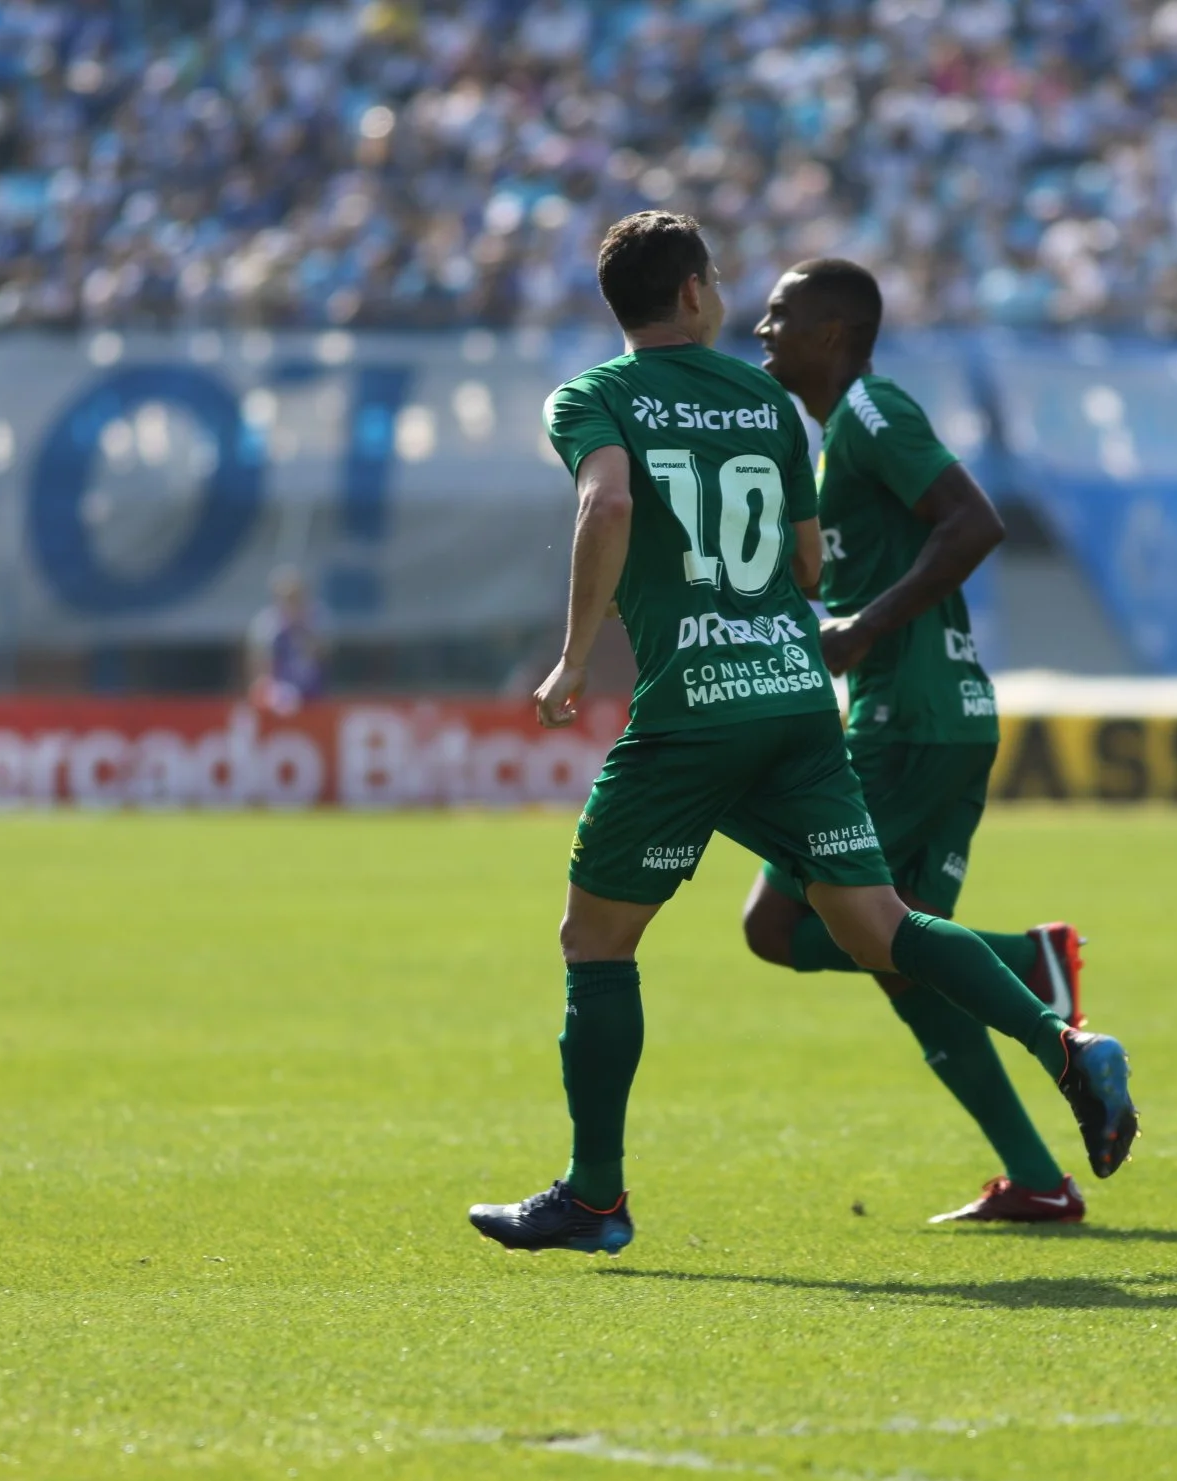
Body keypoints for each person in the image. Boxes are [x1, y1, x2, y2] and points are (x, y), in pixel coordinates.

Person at [469, 213, 1139, 1255]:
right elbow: (813, 566)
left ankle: (595, 1197)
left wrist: (573, 652)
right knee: (879, 925)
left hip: (694, 710)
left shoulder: (593, 397)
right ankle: (1062, 1045)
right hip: (793, 701)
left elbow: (606, 509)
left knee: (596, 941)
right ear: (694, 292)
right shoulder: (766, 403)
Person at [737, 258, 1095, 1226]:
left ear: (836, 333)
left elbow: (975, 522)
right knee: (909, 967)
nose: (762, 327)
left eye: (783, 314)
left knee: (776, 925)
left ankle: (1028, 965)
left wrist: (865, 630)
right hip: (939, 720)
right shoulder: (832, 444)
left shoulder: (871, 413)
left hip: (907, 719)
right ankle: (1039, 1179)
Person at [245, 567, 330, 714]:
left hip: (311, 688)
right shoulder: (266, 625)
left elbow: (323, 657)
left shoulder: (316, 619)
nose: (292, 602)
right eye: (288, 597)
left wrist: (302, 633)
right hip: (278, 689)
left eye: (297, 596)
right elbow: (260, 668)